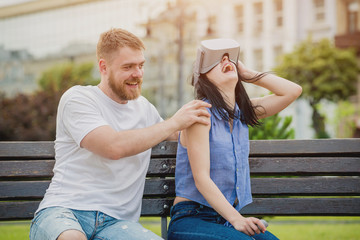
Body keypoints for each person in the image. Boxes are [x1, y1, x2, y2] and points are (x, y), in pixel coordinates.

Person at [29, 28, 211, 240]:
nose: (138, 74)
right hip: (64, 212)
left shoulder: (145, 109)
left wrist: (226, 101)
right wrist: (174, 122)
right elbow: (112, 147)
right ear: (103, 67)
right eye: (128, 67)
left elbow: (183, 137)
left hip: (116, 224)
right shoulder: (78, 98)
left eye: (141, 65)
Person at [167, 38, 302, 240]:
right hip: (192, 218)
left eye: (229, 59)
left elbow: (293, 91)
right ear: (203, 77)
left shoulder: (243, 113)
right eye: (217, 60)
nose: (225, 61)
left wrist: (248, 75)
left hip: (225, 219)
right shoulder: (199, 113)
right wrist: (238, 219)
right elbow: (202, 179)